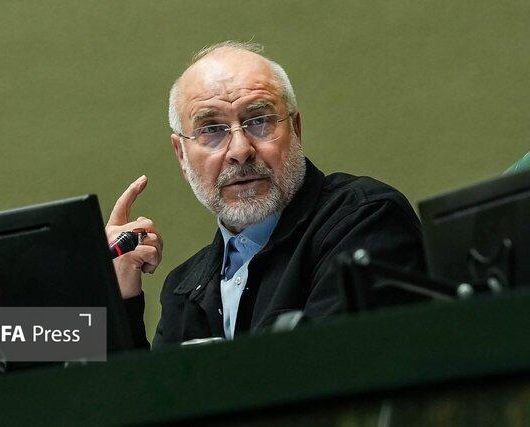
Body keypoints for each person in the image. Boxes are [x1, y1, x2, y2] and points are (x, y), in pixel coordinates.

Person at [105, 41, 426, 349]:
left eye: (259, 121)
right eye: (212, 129)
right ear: (181, 155)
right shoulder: (184, 287)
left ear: (295, 130)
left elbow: (333, 372)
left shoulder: (365, 221)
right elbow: (118, 384)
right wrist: (112, 294)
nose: (240, 150)